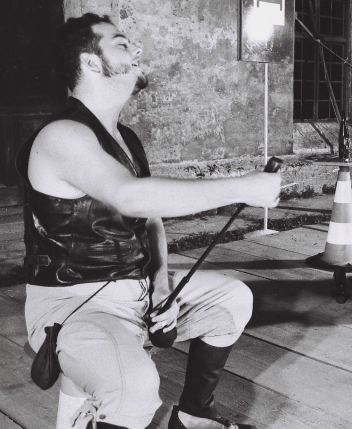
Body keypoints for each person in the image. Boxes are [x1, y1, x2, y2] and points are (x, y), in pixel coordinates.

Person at [16, 13, 281, 429]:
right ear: (90, 62)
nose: (138, 49)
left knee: (232, 299)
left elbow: (150, 219)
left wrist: (161, 285)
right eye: (122, 43)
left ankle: (194, 416)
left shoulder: (125, 137)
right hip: (76, 302)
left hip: (137, 289)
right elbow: (130, 196)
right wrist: (242, 187)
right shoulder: (62, 135)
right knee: (136, 389)